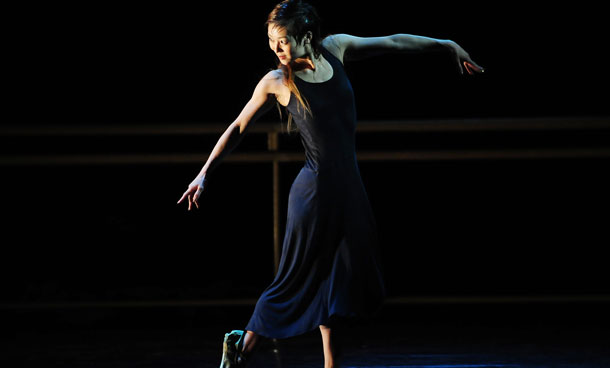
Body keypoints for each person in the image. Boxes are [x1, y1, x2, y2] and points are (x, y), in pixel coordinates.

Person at [177, 1, 484, 366]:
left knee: (340, 284)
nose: (276, 50)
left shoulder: (336, 48)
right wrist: (204, 172)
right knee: (295, 280)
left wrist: (445, 43)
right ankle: (240, 348)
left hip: (349, 190)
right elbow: (237, 128)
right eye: (272, 42)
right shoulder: (276, 81)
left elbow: (395, 42)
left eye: (283, 41)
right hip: (314, 195)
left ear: (307, 37)